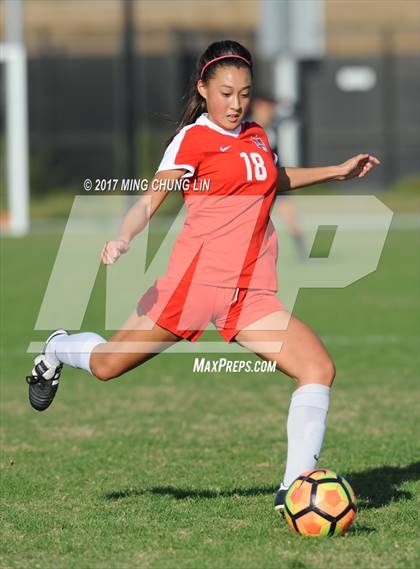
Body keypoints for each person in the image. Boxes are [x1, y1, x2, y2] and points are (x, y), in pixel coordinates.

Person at [26, 40, 380, 518]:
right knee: (108, 366)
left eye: (245, 94)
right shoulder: (192, 139)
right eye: (227, 93)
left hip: (250, 293)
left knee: (317, 370)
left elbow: (271, 177)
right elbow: (151, 198)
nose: (236, 104)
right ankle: (56, 347)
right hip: (192, 288)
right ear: (203, 89)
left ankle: (294, 488)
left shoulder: (255, 135)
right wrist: (124, 237)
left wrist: (336, 172)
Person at [249, 92, 307, 259]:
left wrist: (287, 103)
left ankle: (303, 255)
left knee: (291, 217)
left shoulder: (274, 126)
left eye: (271, 108)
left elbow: (295, 114)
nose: (270, 111)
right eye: (266, 108)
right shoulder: (247, 130)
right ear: (256, 107)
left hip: (276, 181)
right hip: (256, 184)